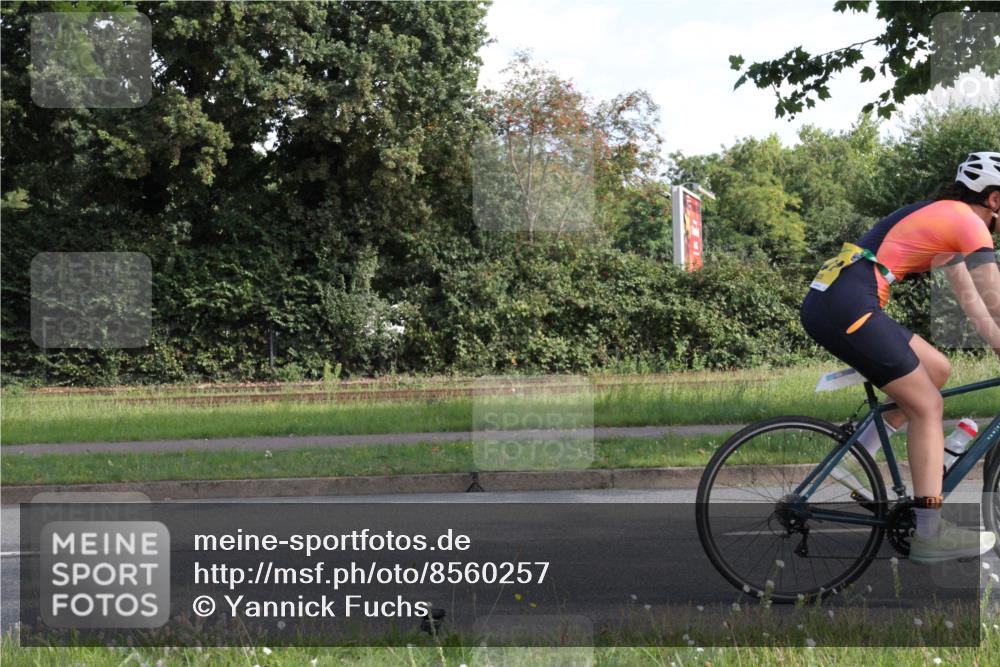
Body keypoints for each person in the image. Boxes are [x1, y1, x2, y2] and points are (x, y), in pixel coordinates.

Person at [800, 151, 1000, 564]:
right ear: (995, 200)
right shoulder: (968, 223)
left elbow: (977, 307)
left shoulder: (947, 219)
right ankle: (930, 533)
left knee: (937, 370)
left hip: (841, 299)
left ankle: (859, 456)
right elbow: (995, 298)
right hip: (849, 303)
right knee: (927, 405)